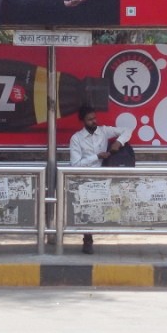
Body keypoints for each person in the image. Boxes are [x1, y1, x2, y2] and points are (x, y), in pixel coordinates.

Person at [69, 105, 131, 254]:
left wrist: (119, 142)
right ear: (83, 121)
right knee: (87, 208)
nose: (94, 121)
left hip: (104, 176)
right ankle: (88, 239)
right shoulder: (76, 138)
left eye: (94, 118)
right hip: (86, 178)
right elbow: (75, 164)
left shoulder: (103, 131)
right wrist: (96, 156)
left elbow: (127, 130)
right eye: (90, 119)